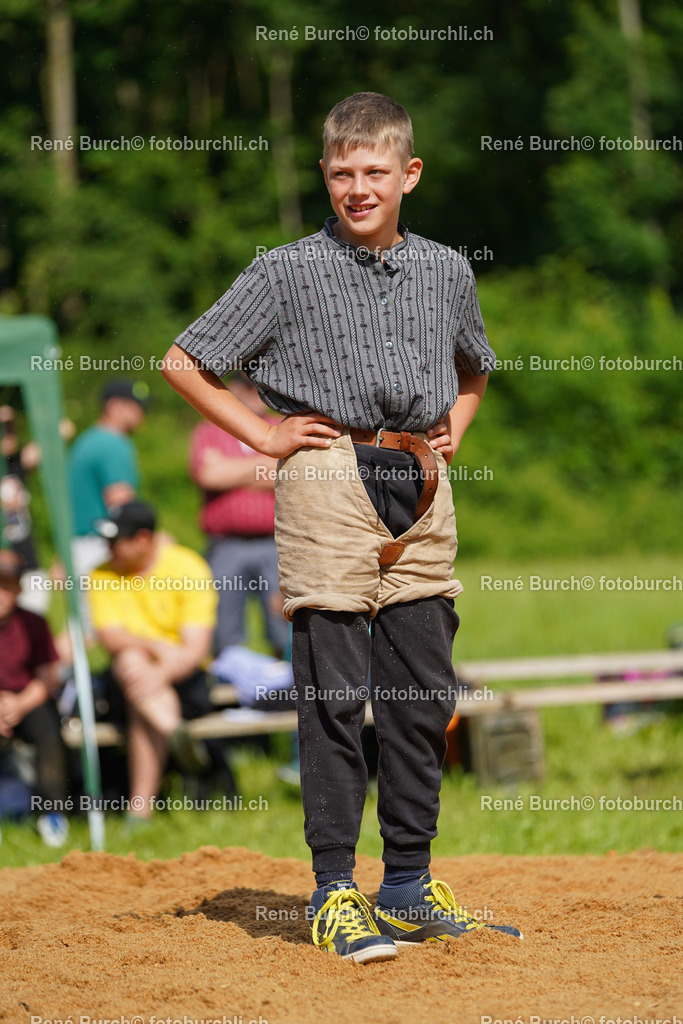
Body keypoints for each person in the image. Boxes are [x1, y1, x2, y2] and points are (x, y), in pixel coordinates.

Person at [161, 92, 521, 961]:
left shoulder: (445, 270)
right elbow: (184, 360)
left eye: (374, 172)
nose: (358, 188)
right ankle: (332, 891)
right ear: (324, 175)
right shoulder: (285, 270)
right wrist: (263, 435)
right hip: (326, 475)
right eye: (341, 173)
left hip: (422, 483)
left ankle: (404, 886)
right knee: (334, 693)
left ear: (408, 174)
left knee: (422, 694)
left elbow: (473, 369)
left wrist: (452, 437)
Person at [88, 501, 218, 820]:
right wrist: (157, 646)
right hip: (135, 683)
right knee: (131, 661)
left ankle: (139, 809)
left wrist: (157, 672)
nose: (108, 549)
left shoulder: (187, 567)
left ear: (144, 539)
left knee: (137, 684)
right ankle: (173, 731)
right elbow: (111, 638)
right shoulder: (101, 573)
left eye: (115, 541)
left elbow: (195, 649)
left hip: (184, 683)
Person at [188, 372, 289, 656]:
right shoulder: (209, 431)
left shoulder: (281, 426)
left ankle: (289, 686)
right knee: (225, 624)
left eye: (262, 388)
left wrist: (231, 469)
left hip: (277, 543)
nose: (257, 394)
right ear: (233, 389)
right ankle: (229, 688)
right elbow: (208, 475)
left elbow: (291, 476)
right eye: (249, 387)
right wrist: (264, 464)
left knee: (284, 620)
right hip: (226, 544)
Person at [0, 549, 70, 847]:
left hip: (27, 699)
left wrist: (19, 704)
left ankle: (52, 810)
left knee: (48, 730)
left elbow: (47, 677)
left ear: (19, 588)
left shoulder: (33, 623)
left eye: (6, 585)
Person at [67, 379, 149, 581]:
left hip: (77, 546)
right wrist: (148, 538)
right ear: (114, 406)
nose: (142, 414)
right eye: (135, 407)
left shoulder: (87, 440)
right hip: (101, 547)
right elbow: (120, 501)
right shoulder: (113, 443)